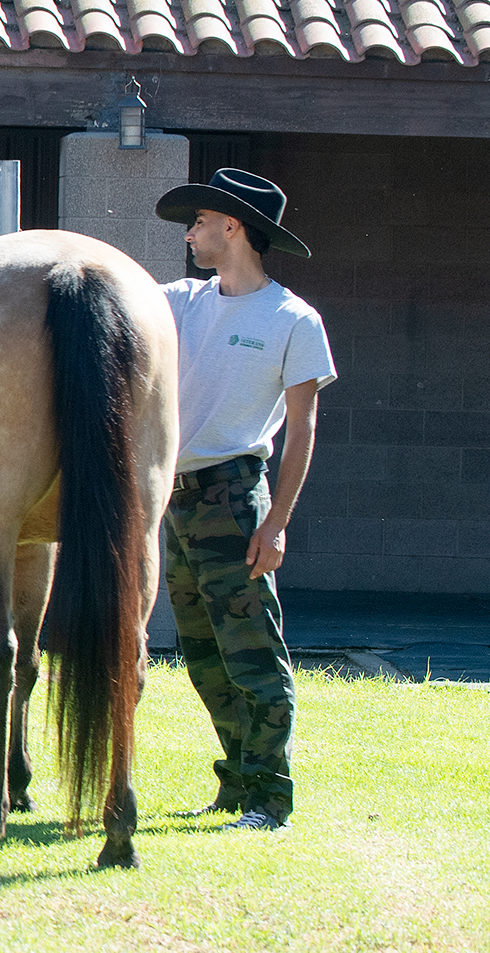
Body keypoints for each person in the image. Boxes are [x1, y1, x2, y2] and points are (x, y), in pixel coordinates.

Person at [152, 168, 335, 831]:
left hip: (234, 497)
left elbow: (303, 427)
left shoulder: (292, 319)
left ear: (234, 227)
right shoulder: (181, 301)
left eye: (200, 220)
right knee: (203, 656)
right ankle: (237, 781)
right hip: (177, 500)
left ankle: (269, 798)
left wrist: (277, 524)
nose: (191, 232)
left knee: (254, 653)